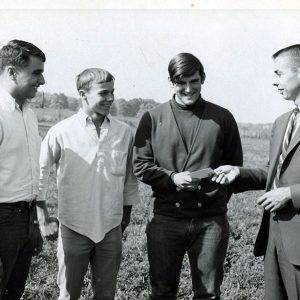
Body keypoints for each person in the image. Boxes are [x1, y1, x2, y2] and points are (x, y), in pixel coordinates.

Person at [133, 52, 243, 300]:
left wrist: (217, 197)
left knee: (208, 293)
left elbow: (235, 167)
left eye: (194, 81)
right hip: (165, 219)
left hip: (211, 221)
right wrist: (172, 178)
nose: (188, 88)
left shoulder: (223, 117)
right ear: (171, 81)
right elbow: (140, 165)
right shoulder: (153, 117)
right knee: (161, 292)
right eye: (181, 82)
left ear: (203, 78)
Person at [37, 67, 139, 300]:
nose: (111, 98)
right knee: (68, 294)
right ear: (83, 94)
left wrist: (124, 216)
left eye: (112, 92)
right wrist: (42, 217)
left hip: (110, 228)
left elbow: (129, 179)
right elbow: (40, 174)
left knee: (105, 294)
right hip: (73, 227)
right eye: (103, 93)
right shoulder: (61, 131)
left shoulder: (124, 133)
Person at [212, 44, 300, 300]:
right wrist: (239, 173)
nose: (276, 82)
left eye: (279, 74)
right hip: (274, 240)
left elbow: (287, 187)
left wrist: (291, 194)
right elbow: (276, 173)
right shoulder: (283, 121)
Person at [0, 39, 45, 300]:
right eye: (36, 72)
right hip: (2, 217)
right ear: (12, 72)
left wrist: (34, 222)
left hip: (25, 217)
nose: (42, 81)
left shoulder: (28, 113)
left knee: (13, 293)